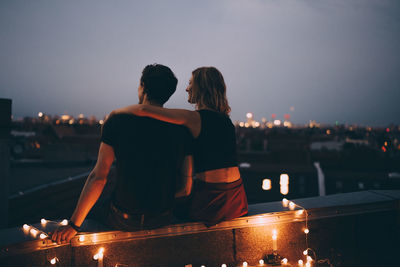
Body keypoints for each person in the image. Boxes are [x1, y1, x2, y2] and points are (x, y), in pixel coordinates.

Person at [51, 64, 193, 244]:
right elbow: (186, 188)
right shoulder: (182, 128)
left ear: (143, 86)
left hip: (125, 218)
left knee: (96, 210)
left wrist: (73, 225)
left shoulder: (118, 120)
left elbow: (99, 177)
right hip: (162, 217)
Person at [112, 66, 248, 226]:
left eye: (190, 84)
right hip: (236, 195)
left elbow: (143, 109)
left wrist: (115, 114)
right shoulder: (226, 121)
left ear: (201, 87)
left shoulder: (193, 118)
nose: (187, 88)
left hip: (211, 197)